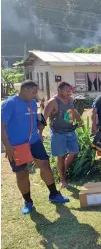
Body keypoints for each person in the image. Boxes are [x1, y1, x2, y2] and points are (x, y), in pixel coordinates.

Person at [1, 80, 69, 214]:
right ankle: (28, 202)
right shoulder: (9, 104)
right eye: (33, 92)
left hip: (34, 142)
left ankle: (54, 194)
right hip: (16, 145)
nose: (35, 95)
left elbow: (35, 117)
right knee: (22, 173)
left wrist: (40, 124)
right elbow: (1, 126)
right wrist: (7, 146)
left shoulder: (32, 102)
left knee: (45, 166)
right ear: (25, 90)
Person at [43, 81, 82, 188]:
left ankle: (62, 171)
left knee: (74, 152)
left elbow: (72, 111)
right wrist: (39, 132)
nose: (69, 92)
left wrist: (80, 120)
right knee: (60, 157)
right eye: (67, 91)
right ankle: (62, 179)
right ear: (59, 90)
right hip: (58, 133)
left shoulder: (69, 99)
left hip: (70, 131)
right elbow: (44, 116)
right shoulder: (53, 102)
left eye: (70, 91)